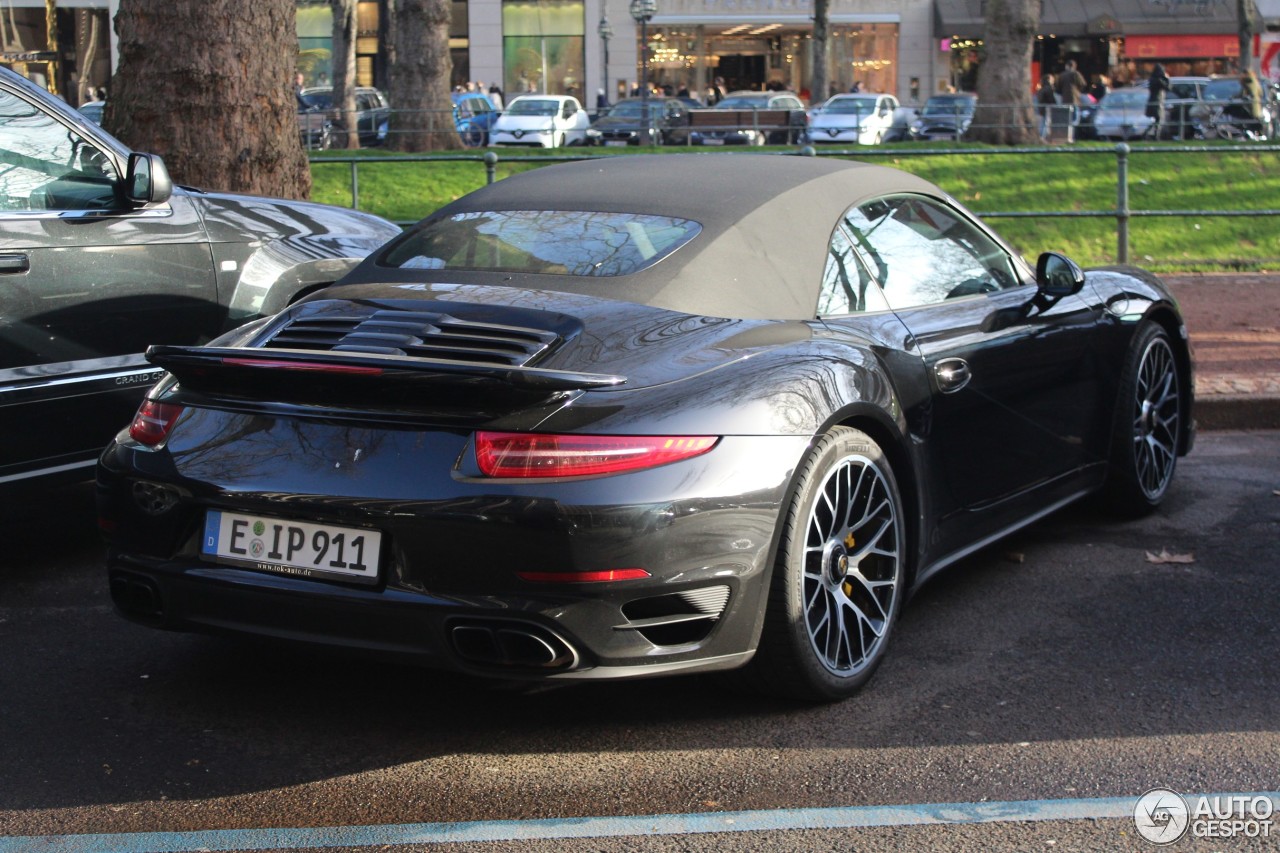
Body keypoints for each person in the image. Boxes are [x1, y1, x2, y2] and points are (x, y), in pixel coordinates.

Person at [1145, 63, 1170, 139]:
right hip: (1157, 101)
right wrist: (1166, 78)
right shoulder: (1158, 80)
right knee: (1158, 119)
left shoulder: (1152, 79)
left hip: (1152, 101)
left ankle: (1148, 133)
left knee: (1156, 120)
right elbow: (1168, 87)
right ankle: (1156, 135)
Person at [1035, 73, 1057, 140]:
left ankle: (1042, 135)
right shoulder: (1049, 88)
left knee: (1043, 122)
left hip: (1042, 107)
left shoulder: (1041, 88)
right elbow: (1051, 99)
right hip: (1047, 107)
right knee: (1046, 122)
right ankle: (1043, 136)